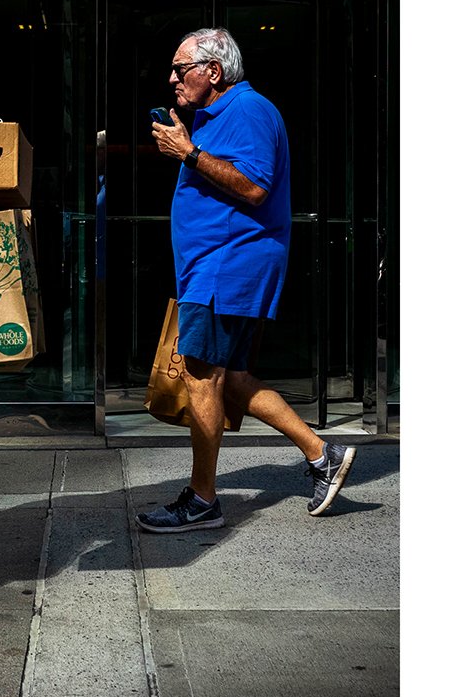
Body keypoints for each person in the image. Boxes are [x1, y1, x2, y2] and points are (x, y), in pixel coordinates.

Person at [136, 28, 355, 531]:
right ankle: (323, 454)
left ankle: (203, 498)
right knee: (230, 380)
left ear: (213, 71)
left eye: (180, 67)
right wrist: (188, 148)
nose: (172, 78)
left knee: (201, 375)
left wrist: (188, 153)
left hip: (226, 265)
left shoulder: (249, 110)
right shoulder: (217, 116)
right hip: (215, 266)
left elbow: (256, 187)